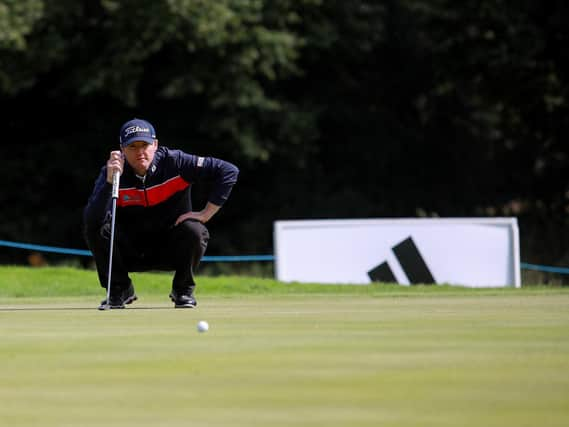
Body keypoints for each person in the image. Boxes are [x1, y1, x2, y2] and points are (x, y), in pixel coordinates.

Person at [83, 118, 239, 309]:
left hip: (171, 249)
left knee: (195, 230)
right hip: (129, 251)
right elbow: (92, 221)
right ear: (122, 149)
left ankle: (183, 291)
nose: (140, 152)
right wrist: (109, 182)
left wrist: (205, 214)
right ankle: (119, 289)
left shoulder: (176, 162)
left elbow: (228, 171)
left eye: (145, 145)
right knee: (98, 229)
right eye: (132, 146)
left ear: (155, 145)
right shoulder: (112, 173)